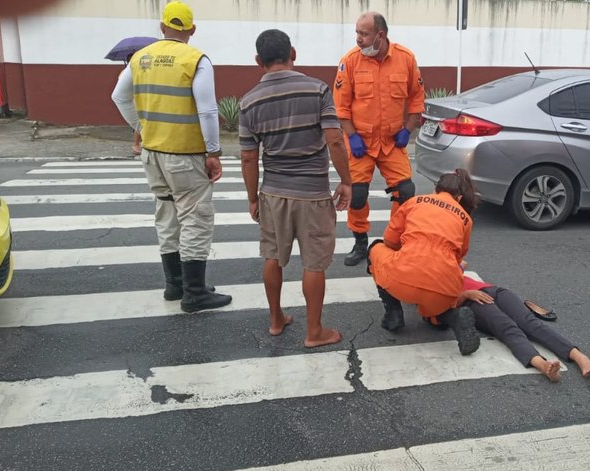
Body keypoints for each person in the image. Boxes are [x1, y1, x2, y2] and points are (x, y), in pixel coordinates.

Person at [111, 1, 231, 313]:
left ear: (162, 27)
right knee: (194, 218)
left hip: (152, 154)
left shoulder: (139, 58)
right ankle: (194, 293)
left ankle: (174, 284)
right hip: (186, 155)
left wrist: (140, 126)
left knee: (166, 214)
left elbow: (118, 96)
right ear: (191, 30)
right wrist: (213, 151)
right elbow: (207, 109)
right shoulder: (196, 59)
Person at [239, 29, 352, 348]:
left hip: (273, 194)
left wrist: (252, 198)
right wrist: (346, 181)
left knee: (272, 256)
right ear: (293, 53)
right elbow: (334, 139)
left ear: (258, 61)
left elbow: (249, 157)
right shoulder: (317, 90)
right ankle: (314, 332)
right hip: (312, 194)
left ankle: (276, 320)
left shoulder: (249, 102)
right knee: (314, 263)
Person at [333, 12, 425, 267]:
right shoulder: (350, 61)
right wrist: (351, 136)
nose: (358, 39)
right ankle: (360, 242)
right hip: (360, 141)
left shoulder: (406, 59)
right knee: (358, 194)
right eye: (358, 33)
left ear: (380, 35)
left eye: (364, 34)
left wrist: (408, 128)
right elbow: (341, 107)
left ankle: (393, 241)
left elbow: (416, 98)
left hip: (392, 141)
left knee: (405, 192)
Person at [367, 169, 480, 355]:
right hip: (443, 288)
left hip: (401, 280)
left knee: (376, 248)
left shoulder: (414, 202)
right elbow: (459, 256)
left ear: (436, 189)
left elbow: (390, 240)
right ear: (459, 198)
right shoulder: (465, 219)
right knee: (434, 314)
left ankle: (393, 313)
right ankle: (451, 318)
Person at [456, 269, 590, 382]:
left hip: (494, 291)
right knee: (507, 328)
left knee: (530, 323)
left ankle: (578, 356)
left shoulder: (443, 258)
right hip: (472, 302)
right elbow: (439, 310)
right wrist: (465, 295)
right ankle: (543, 365)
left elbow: (463, 262)